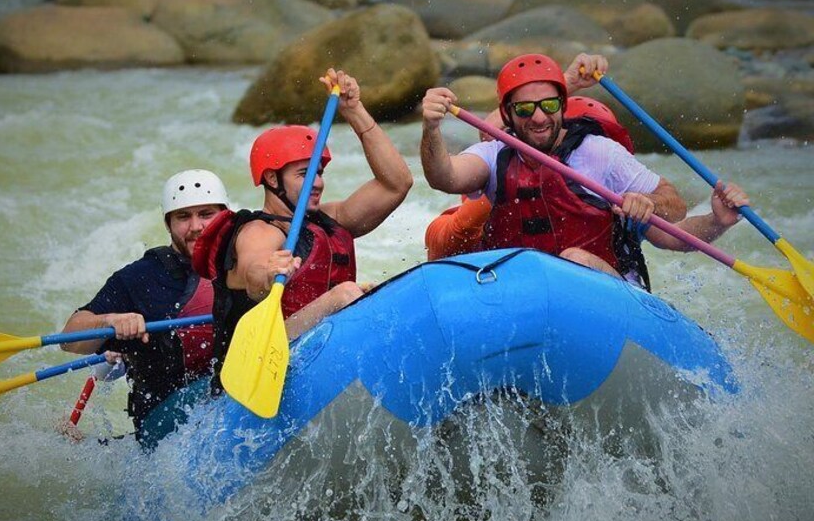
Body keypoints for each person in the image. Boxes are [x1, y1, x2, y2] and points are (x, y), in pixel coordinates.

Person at [194, 68, 413, 394]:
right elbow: (254, 273)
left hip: (322, 357)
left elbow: (397, 183)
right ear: (272, 179)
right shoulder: (259, 231)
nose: (319, 182)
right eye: (305, 173)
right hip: (260, 373)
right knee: (346, 295)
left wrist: (355, 111)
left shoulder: (332, 219)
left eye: (320, 172)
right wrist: (266, 272)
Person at [420, 53, 687, 289]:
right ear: (508, 114)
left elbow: (675, 213)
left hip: (607, 294)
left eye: (549, 106)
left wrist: (649, 203)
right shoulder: (495, 154)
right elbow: (444, 177)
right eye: (524, 110)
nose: (538, 117)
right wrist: (431, 128)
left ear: (563, 106)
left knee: (575, 259)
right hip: (524, 289)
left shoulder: (601, 153)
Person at [58, 169, 229, 443]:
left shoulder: (246, 260)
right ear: (168, 223)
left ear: (224, 216)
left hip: (226, 399)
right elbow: (69, 339)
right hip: (165, 427)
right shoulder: (141, 277)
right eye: (183, 216)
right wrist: (110, 321)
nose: (196, 226)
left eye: (206, 214)